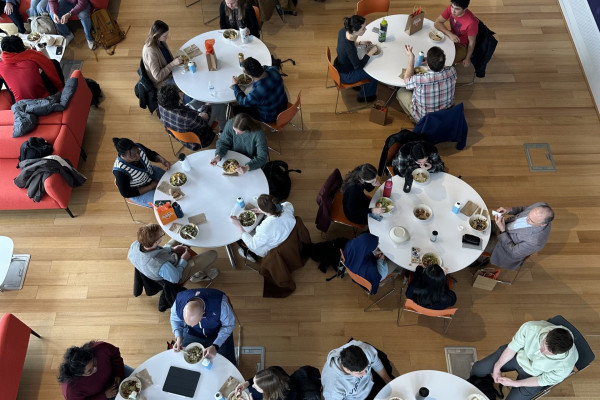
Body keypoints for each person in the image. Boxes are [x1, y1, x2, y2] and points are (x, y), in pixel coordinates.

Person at [470, 320, 578, 400]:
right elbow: (513, 347)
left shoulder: (565, 366)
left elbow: (542, 380)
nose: (542, 351)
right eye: (544, 345)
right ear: (548, 332)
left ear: (561, 353)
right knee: (477, 369)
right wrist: (497, 367)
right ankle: (484, 387)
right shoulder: (531, 328)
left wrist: (515, 383)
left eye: (548, 353)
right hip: (518, 355)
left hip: (535, 375)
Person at [128, 223, 219, 285]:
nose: (163, 234)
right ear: (156, 242)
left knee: (181, 237)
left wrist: (172, 249)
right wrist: (183, 260)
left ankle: (181, 255)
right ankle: (197, 276)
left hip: (157, 263)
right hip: (173, 274)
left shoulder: (136, 244)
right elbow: (176, 278)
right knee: (212, 254)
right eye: (162, 234)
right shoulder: (161, 265)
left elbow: (156, 251)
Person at [170, 288, 237, 365]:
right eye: (188, 322)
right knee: (182, 361)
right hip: (192, 332)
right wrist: (178, 337)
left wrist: (216, 345)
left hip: (217, 333)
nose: (192, 325)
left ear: (203, 313)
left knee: (227, 363)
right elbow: (175, 320)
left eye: (195, 323)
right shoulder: (178, 303)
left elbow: (229, 325)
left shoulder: (221, 305)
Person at [396, 45, 457, 123]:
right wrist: (432, 61)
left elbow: (406, 80)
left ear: (427, 64)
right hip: (446, 114)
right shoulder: (452, 71)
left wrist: (411, 58)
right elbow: (443, 66)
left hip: (426, 119)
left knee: (400, 91)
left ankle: (414, 120)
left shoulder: (420, 79)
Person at [58, 340, 135, 400]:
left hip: (116, 371)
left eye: (95, 363)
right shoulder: (71, 390)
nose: (96, 369)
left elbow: (115, 355)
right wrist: (104, 395)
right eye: (90, 371)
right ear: (79, 375)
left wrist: (118, 375)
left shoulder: (101, 348)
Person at [231, 194, 296, 263]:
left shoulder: (265, 228)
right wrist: (262, 211)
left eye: (259, 208)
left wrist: (239, 226)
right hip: (287, 235)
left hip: (272, 249)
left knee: (238, 238)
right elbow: (280, 211)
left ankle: (251, 256)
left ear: (266, 210)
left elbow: (253, 244)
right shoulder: (287, 205)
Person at [487, 203, 554, 270]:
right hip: (505, 224)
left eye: (531, 221)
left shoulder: (535, 242)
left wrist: (503, 231)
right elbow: (524, 209)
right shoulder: (541, 205)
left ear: (542, 224)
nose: (526, 219)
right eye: (529, 215)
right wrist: (510, 210)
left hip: (501, 246)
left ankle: (481, 260)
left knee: (479, 243)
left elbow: (513, 253)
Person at [0, 35, 64, 103]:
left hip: (19, 104)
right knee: (54, 63)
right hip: (42, 99)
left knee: (3, 76)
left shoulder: (1, 64)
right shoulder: (31, 55)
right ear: (22, 46)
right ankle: (62, 88)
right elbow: (48, 64)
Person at [322, 340, 392, 400]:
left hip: (372, 383)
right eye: (360, 372)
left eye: (367, 367)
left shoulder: (364, 349)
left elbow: (376, 363)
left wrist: (389, 382)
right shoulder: (333, 388)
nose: (365, 373)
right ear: (347, 370)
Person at [112, 137, 171, 208]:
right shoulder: (120, 171)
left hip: (151, 173)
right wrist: (151, 186)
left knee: (173, 183)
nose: (138, 156)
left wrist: (163, 161)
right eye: (133, 156)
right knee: (165, 203)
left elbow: (151, 154)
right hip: (139, 190)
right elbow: (126, 193)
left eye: (138, 152)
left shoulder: (138, 147)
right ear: (123, 156)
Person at [334, 15, 379, 103]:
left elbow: (348, 44)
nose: (365, 29)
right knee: (373, 73)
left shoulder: (343, 31)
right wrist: (370, 53)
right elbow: (359, 66)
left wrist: (360, 43)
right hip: (346, 75)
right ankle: (366, 96)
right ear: (355, 31)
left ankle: (360, 86)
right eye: (363, 28)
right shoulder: (350, 49)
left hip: (339, 65)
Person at [157, 83, 215, 149]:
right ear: (177, 100)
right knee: (215, 107)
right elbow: (205, 120)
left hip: (179, 136)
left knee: (193, 105)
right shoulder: (188, 118)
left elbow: (185, 110)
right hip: (201, 140)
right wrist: (207, 106)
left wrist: (197, 114)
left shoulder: (161, 105)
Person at [231, 57, 288, 123]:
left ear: (249, 76)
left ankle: (254, 126)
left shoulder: (256, 92)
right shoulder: (274, 69)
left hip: (271, 117)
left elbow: (242, 102)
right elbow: (265, 67)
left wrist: (235, 85)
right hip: (283, 106)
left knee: (236, 109)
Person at [434, 0, 478, 66]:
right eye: (452, 7)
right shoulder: (451, 8)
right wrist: (450, 34)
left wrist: (467, 58)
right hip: (450, 37)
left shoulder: (472, 23)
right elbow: (437, 23)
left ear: (465, 9)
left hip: (461, 45)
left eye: (457, 9)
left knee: (443, 62)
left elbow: (472, 43)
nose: (453, 11)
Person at [142, 20, 184, 89]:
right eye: (165, 36)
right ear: (156, 36)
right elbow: (157, 76)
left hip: (170, 71)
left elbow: (167, 57)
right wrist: (173, 64)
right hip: (163, 81)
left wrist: (175, 60)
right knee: (187, 81)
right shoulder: (150, 51)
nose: (167, 37)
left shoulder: (160, 41)